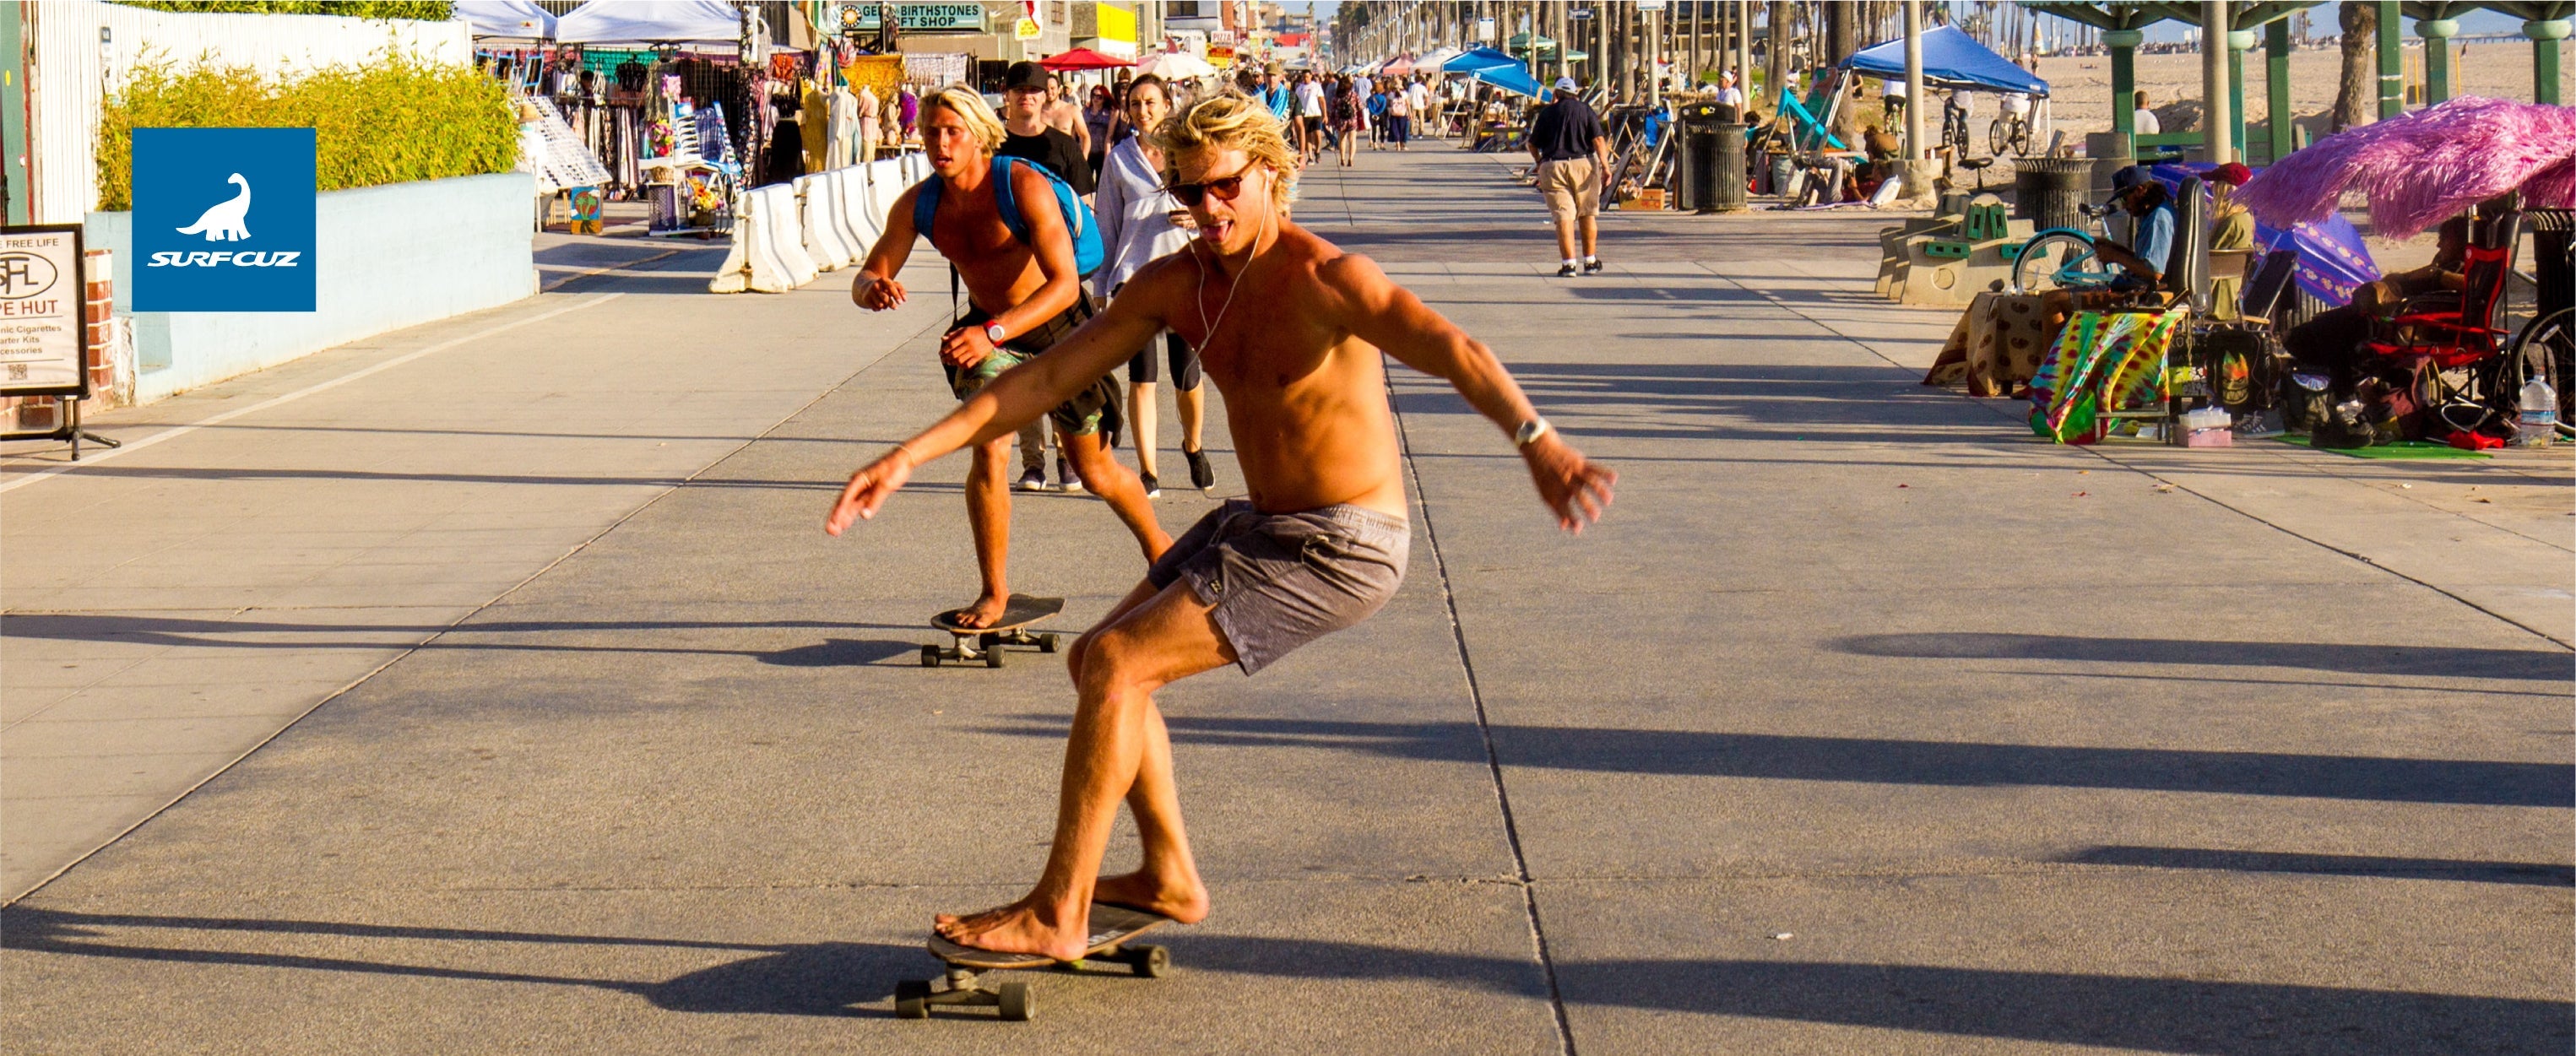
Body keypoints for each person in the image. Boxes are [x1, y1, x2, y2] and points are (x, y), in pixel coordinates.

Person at [827, 95, 1614, 960]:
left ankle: (1059, 910)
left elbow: (1454, 350)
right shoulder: (1179, 284)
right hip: (1261, 523)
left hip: (1341, 543)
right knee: (1094, 661)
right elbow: (1045, 379)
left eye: (1225, 187)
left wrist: (1540, 443)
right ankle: (1167, 873)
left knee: (1119, 665)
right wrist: (908, 456)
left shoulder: (1328, 279)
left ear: (1271, 174)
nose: (1207, 209)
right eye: (1187, 193)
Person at [846, 87, 1170, 630]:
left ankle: (1161, 550)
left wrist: (992, 331)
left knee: (1094, 470)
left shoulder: (1022, 186)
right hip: (990, 337)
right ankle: (994, 591)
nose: (941, 144)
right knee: (990, 447)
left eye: (953, 132)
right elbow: (868, 273)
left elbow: (1065, 285)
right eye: (932, 133)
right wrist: (871, 289)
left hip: (1060, 332)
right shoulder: (920, 203)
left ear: (979, 135)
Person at [1093, 74, 1217, 496]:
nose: (1142, 111)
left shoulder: (1190, 151)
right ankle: (1149, 471)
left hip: (1186, 275)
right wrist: (1100, 284)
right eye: (1134, 104)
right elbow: (1107, 225)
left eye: (1150, 102)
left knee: (1187, 378)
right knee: (1142, 378)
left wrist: (1197, 220)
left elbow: (1218, 207)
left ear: (1167, 104)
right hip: (1135, 279)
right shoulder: (1119, 159)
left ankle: (1193, 445)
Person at [998, 62, 1098, 492]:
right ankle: (1032, 463)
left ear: (1046, 96)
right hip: (1005, 276)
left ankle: (1066, 456)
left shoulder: (1063, 147)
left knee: (1058, 368)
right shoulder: (991, 146)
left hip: (1058, 275)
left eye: (1034, 90)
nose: (1027, 96)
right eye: (1019, 90)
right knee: (1017, 370)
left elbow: (1085, 208)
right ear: (1007, 96)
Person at [1530, 76, 1610, 278]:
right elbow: (1598, 140)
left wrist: (1539, 162)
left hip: (1553, 166)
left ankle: (1569, 265)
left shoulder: (1547, 113)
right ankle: (1590, 262)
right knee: (1587, 214)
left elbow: (1532, 144)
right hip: (1584, 165)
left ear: (1556, 94)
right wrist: (1606, 167)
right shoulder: (1585, 110)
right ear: (1575, 94)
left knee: (1563, 216)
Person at [2204, 162, 2255, 320]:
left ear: (2226, 189)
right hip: (2228, 297)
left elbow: (2207, 263)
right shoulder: (2245, 219)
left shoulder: (2232, 222)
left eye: (2216, 184)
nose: (2212, 188)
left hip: (2213, 300)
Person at [1295, 70, 1327, 166]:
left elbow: (1322, 100)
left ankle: (1317, 151)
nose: (1305, 79)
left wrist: (1325, 114)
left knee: (1318, 134)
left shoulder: (1316, 86)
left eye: (1307, 77)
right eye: (1304, 77)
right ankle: (1310, 156)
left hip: (1316, 114)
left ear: (1311, 76)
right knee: (1308, 136)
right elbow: (1297, 101)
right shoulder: (1300, 88)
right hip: (1305, 115)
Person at [1331, 74, 1363, 166]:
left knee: (1342, 139)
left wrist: (1332, 120)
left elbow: (1333, 108)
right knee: (1352, 140)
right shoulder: (1354, 95)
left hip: (1341, 120)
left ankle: (1342, 158)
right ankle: (1351, 159)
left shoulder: (1337, 97)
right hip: (1352, 119)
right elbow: (1360, 107)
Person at [1403, 77, 1433, 145]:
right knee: (1421, 120)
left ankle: (1411, 133)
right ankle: (1420, 133)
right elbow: (1426, 96)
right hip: (1421, 105)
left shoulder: (1412, 87)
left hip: (1413, 104)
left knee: (1412, 119)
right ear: (1421, 81)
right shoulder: (1423, 87)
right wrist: (1427, 104)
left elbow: (1409, 95)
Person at [1386, 76, 1413, 150]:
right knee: (1402, 129)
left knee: (1395, 129)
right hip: (1403, 114)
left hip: (1393, 114)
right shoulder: (1405, 94)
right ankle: (1401, 144)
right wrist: (1410, 113)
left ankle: (1397, 145)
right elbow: (1408, 104)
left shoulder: (1391, 94)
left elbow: (1388, 103)